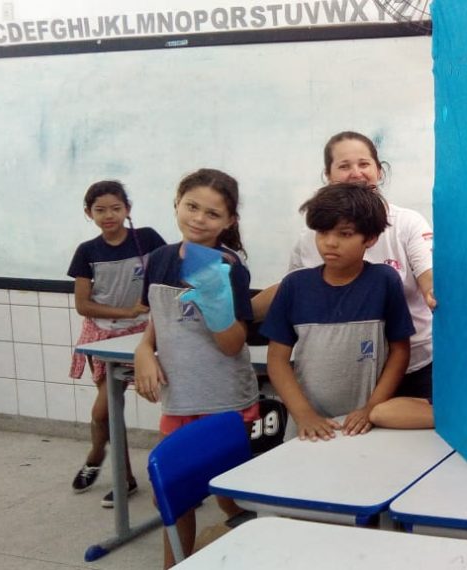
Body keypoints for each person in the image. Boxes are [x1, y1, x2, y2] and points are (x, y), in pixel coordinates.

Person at [132, 168, 260, 569]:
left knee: (231, 495)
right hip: (180, 399)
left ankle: (256, 550)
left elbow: (233, 344)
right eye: (192, 206)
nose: (199, 218)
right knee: (172, 495)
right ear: (177, 203)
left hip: (225, 401)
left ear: (229, 221)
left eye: (212, 213)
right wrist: (143, 351)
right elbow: (158, 317)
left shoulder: (228, 267)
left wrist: (215, 298)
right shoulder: (158, 259)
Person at [253, 131, 434, 407]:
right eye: (344, 166)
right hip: (344, 375)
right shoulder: (310, 239)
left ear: (379, 170)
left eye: (364, 164)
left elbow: (428, 275)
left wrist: (434, 294)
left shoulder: (407, 224)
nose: (356, 173)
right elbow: (291, 289)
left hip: (413, 365)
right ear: (328, 174)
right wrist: (236, 315)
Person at [261, 183, 424, 440]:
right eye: (322, 232)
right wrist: (304, 414)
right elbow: (277, 360)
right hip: (307, 427)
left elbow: (400, 350)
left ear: (370, 238)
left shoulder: (384, 281)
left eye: (345, 234)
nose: (330, 243)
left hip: (363, 426)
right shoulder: (295, 285)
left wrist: (371, 407)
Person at [66, 180, 166, 505]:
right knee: (106, 410)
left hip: (145, 334)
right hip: (104, 335)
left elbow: (172, 273)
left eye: (115, 208)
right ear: (88, 213)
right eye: (100, 210)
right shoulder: (88, 251)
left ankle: (101, 458)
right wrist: (126, 311)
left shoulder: (147, 239)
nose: (108, 215)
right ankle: (116, 472)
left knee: (168, 402)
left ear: (127, 210)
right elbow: (84, 304)